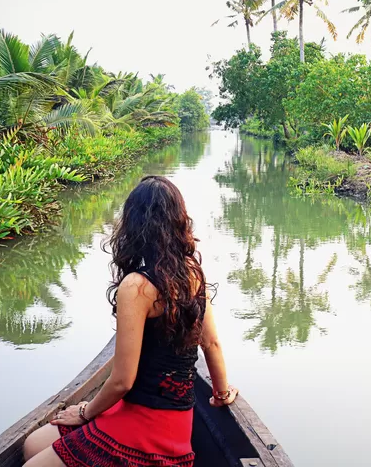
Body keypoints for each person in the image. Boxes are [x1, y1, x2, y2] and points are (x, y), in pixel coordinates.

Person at [23, 175, 237, 466]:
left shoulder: (136, 286)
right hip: (172, 420)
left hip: (147, 428)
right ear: (179, 220)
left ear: (134, 225)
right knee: (33, 443)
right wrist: (221, 394)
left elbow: (122, 381)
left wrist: (85, 412)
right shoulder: (193, 271)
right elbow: (211, 342)